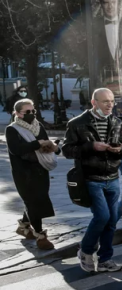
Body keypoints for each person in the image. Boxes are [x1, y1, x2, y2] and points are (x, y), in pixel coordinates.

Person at [63, 88, 122, 273]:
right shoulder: (77, 123)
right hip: (91, 178)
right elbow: (67, 150)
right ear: (94, 102)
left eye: (112, 101)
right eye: (105, 101)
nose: (110, 105)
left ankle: (105, 259)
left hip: (113, 178)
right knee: (102, 217)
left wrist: (120, 150)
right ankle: (86, 250)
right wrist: (91, 146)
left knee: (112, 221)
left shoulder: (116, 122)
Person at [7, 98, 59, 250]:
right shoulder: (12, 129)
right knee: (32, 201)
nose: (31, 114)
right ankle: (40, 236)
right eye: (27, 112)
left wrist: (51, 146)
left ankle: (23, 226)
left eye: (33, 111)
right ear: (18, 113)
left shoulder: (38, 126)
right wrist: (38, 144)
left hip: (40, 169)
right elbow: (16, 149)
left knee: (38, 199)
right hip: (23, 173)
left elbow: (45, 142)